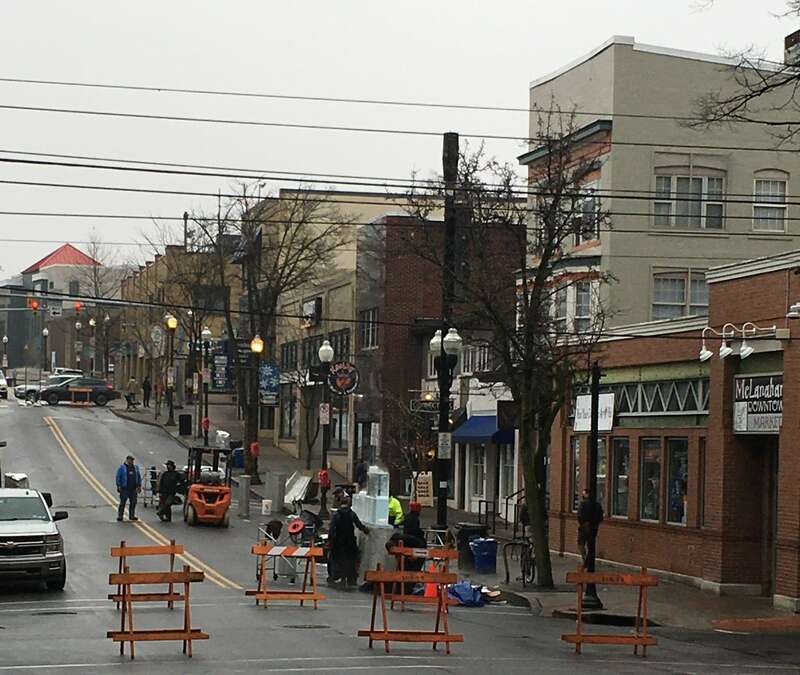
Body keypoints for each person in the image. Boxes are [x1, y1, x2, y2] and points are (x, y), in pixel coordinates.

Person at [327, 495, 370, 588]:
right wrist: (366, 530)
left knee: (337, 560)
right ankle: (350, 579)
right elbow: (359, 525)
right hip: (350, 541)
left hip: (338, 542)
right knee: (350, 560)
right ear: (349, 504)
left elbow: (332, 529)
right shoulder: (352, 514)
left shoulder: (336, 515)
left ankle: (337, 577)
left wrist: (330, 540)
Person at [577, 488, 604, 566]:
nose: (583, 495)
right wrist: (595, 524)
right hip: (593, 527)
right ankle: (588, 560)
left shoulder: (583, 505)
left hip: (584, 527)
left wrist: (583, 524)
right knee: (591, 545)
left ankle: (585, 559)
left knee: (581, 543)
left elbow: (579, 516)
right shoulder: (597, 505)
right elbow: (600, 517)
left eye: (584, 494)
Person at [116, 455, 142, 522]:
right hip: (125, 488)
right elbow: (118, 476)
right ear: (127, 460)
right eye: (130, 460)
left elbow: (138, 477)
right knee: (123, 502)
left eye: (132, 460)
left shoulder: (135, 468)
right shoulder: (122, 467)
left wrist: (139, 486)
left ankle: (132, 515)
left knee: (133, 502)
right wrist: (118, 485)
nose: (132, 461)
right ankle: (120, 516)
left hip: (133, 488)